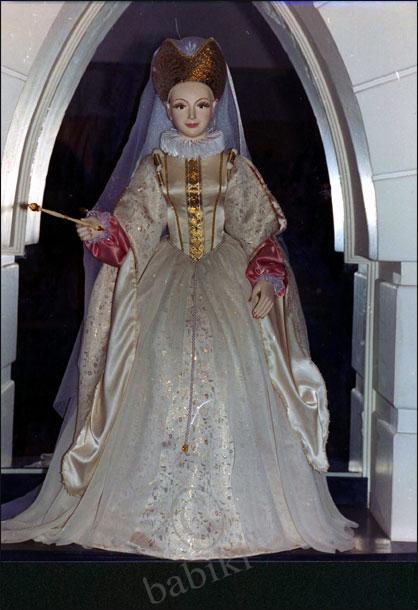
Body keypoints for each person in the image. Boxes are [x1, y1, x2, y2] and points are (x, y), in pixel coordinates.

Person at [1, 37, 358, 560]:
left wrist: (266, 276)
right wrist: (105, 234)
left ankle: (235, 510)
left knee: (238, 380)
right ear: (166, 108)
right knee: (152, 373)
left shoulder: (233, 167)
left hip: (227, 281)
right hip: (164, 282)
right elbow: (137, 231)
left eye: (202, 105)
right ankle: (146, 512)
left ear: (216, 106)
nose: (191, 116)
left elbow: (258, 232)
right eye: (180, 106)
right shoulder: (155, 168)